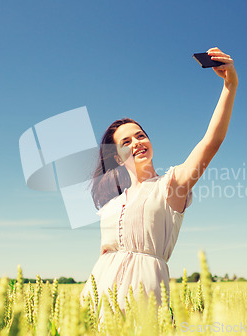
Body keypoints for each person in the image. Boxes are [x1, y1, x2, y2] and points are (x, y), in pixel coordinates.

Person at [80, 47, 238, 322]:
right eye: (126, 142)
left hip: (146, 295)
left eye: (140, 135)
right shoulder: (112, 204)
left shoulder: (171, 185)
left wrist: (229, 86)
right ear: (117, 157)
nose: (136, 142)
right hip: (98, 300)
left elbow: (210, 142)